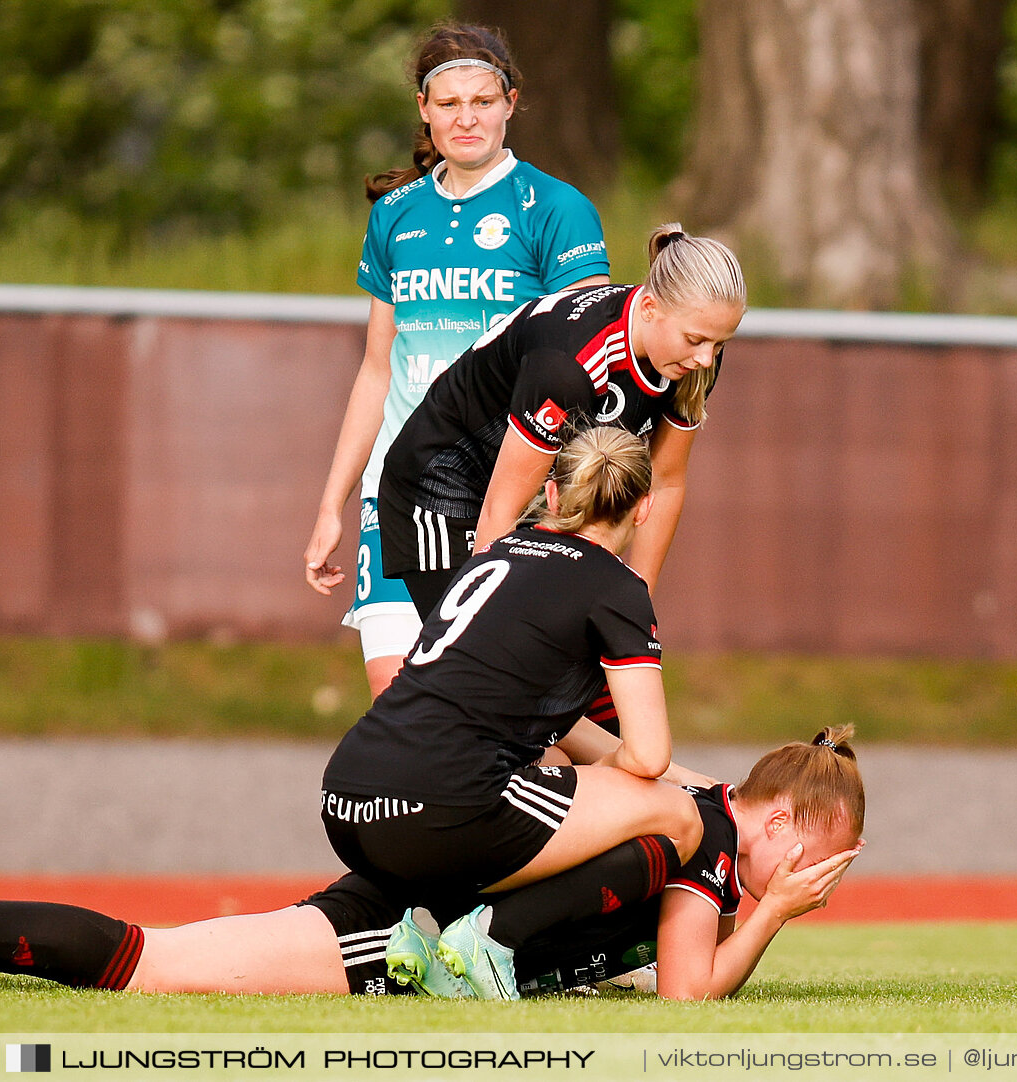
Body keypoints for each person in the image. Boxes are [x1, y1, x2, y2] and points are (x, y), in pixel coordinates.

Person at [0, 728, 862, 1001]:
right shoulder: (707, 842)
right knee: (151, 965)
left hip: (418, 900)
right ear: (783, 821)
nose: (809, 882)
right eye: (816, 861)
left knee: (149, 960)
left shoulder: (689, 810)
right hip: (399, 927)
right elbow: (685, 991)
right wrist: (770, 917)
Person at [321, 426, 710, 999]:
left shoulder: (498, 554)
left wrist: (698, 782)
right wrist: (640, 783)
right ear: (645, 507)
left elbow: (551, 725)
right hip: (439, 806)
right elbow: (649, 756)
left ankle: (428, 937)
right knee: (679, 820)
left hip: (347, 799)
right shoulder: (617, 586)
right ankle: (493, 938)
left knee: (545, 770)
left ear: (553, 496)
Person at [303, 23, 611, 697]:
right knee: (400, 705)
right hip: (398, 491)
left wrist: (576, 488)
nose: (466, 118)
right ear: (424, 108)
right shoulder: (396, 215)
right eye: (449, 104)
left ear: (511, 103)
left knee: (505, 712)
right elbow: (377, 370)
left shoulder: (556, 209)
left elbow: (589, 364)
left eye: (482, 101)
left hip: (510, 490)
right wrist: (334, 503)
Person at [374, 224, 743, 620]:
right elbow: (501, 507)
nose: (706, 358)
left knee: (556, 654)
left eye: (719, 343)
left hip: (532, 491)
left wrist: (636, 604)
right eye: (695, 340)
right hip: (445, 484)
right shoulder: (570, 365)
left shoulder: (695, 356)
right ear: (650, 309)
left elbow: (665, 481)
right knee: (486, 656)